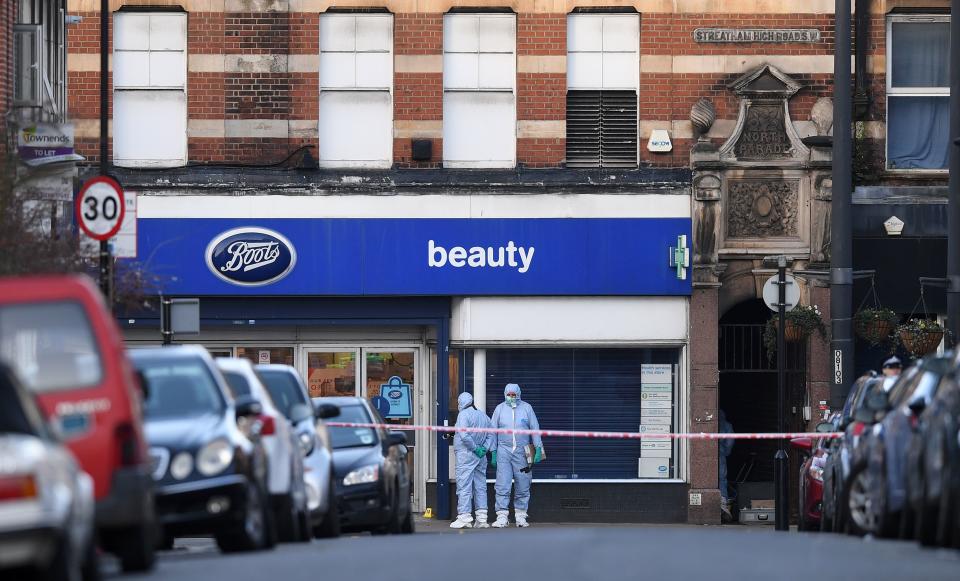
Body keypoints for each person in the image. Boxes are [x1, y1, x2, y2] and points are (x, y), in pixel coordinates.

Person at [490, 383, 543, 528]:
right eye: (509, 395)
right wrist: (493, 452)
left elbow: (535, 428)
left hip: (522, 451)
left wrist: (538, 448)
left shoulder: (527, 408)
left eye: (514, 395)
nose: (511, 397)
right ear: (505, 394)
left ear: (519, 394)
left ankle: (521, 516)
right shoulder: (499, 409)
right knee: (502, 484)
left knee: (523, 483)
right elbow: (492, 431)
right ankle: (502, 516)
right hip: (503, 452)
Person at [450, 392, 494, 529]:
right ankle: (482, 519)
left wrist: (475, 448)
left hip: (466, 455)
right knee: (480, 486)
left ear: (461, 402)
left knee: (464, 486)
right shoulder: (483, 416)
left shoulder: (463, 415)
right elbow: (492, 433)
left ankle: (464, 517)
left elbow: (464, 435)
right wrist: (484, 449)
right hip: (480, 457)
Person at [718, 410, 734, 522]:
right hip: (721, 455)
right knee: (722, 479)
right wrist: (725, 452)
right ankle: (723, 504)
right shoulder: (727, 426)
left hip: (709, 453)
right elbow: (730, 442)